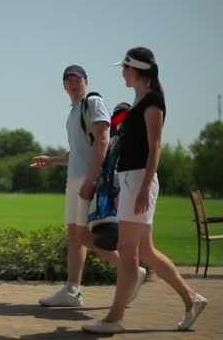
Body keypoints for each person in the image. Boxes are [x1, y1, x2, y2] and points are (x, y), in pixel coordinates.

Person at [82, 47, 207, 334]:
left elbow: (156, 146)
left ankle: (114, 318)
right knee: (144, 250)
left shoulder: (153, 101)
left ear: (135, 69)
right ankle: (192, 299)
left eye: (124, 67)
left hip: (140, 179)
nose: (121, 72)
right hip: (130, 179)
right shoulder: (140, 99)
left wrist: (145, 187)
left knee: (128, 251)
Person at [31, 65, 146, 307]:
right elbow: (81, 150)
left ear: (86, 81)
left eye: (78, 79)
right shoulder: (75, 111)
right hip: (75, 178)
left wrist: (91, 179)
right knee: (75, 235)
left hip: (86, 179)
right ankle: (72, 290)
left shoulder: (92, 102)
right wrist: (54, 161)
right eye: (69, 80)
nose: (74, 83)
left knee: (82, 235)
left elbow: (103, 140)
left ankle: (131, 270)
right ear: (64, 86)